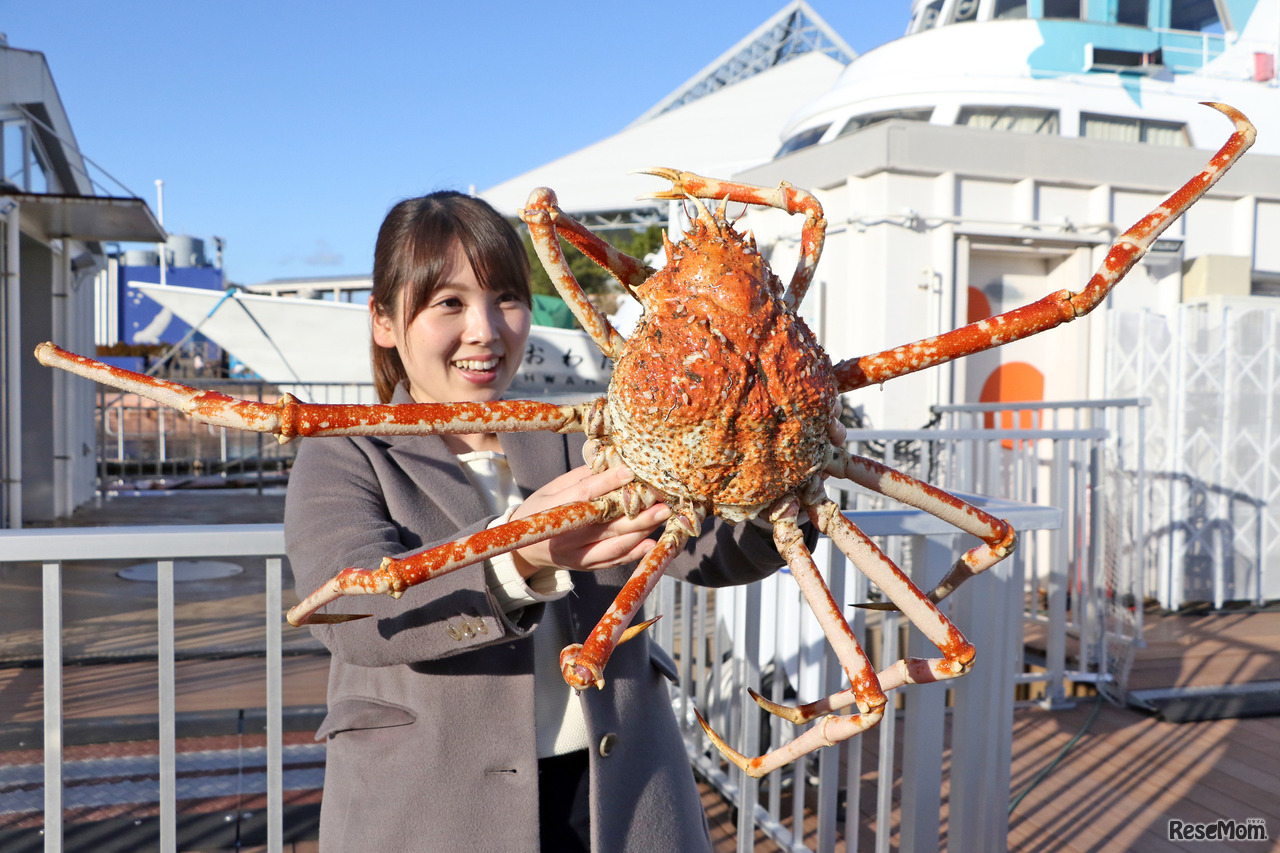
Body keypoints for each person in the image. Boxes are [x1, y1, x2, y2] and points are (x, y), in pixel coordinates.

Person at [284, 191, 790, 852]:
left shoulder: (582, 432)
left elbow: (714, 549)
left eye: (506, 298)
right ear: (383, 319)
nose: (486, 331)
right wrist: (519, 558)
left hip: (620, 791)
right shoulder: (346, 450)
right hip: (435, 806)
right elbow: (350, 608)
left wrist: (781, 480)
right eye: (449, 303)